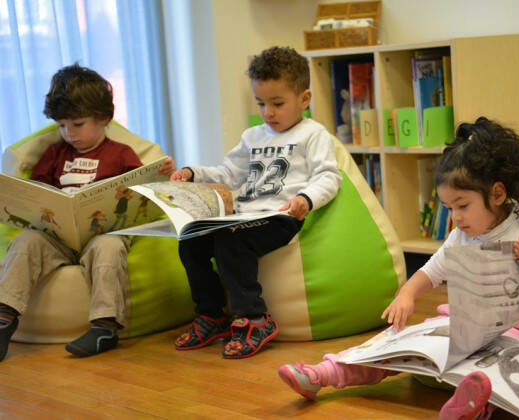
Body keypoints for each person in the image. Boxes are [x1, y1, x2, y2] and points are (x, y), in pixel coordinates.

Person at [278, 117, 519, 419]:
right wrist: (407, 294)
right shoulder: (459, 236)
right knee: (393, 344)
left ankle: (475, 406)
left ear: (497, 194)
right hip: (461, 326)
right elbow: (431, 271)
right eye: (449, 208)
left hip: (517, 332)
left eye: (463, 206)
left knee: (501, 366)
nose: (456, 217)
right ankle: (323, 374)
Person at [166, 46, 341, 359]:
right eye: (261, 103)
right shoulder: (253, 137)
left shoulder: (313, 134)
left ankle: (255, 319)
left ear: (304, 99)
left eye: (277, 103)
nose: (268, 113)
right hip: (243, 215)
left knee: (232, 243)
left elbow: (329, 177)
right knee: (190, 240)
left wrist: (305, 199)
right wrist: (194, 173)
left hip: (281, 216)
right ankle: (212, 315)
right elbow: (228, 174)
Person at [0, 63, 174, 361]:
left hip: (104, 234)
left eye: (77, 125)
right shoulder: (54, 153)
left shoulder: (121, 153)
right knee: (25, 243)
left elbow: (140, 193)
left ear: (104, 118)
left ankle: (105, 326)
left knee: (108, 249)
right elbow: (37, 191)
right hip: (57, 236)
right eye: (62, 126)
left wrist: (161, 176)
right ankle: (4, 318)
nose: (69, 134)